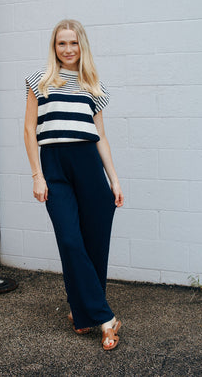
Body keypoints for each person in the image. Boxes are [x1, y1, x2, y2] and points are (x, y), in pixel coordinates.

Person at [24, 19, 124, 351]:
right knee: (70, 240)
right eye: (61, 43)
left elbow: (102, 138)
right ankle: (106, 318)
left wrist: (115, 179)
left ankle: (81, 312)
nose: (68, 49)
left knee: (95, 243)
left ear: (83, 46)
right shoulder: (40, 81)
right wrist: (37, 175)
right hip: (55, 165)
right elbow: (28, 131)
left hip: (90, 167)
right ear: (54, 48)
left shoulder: (94, 87)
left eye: (74, 43)